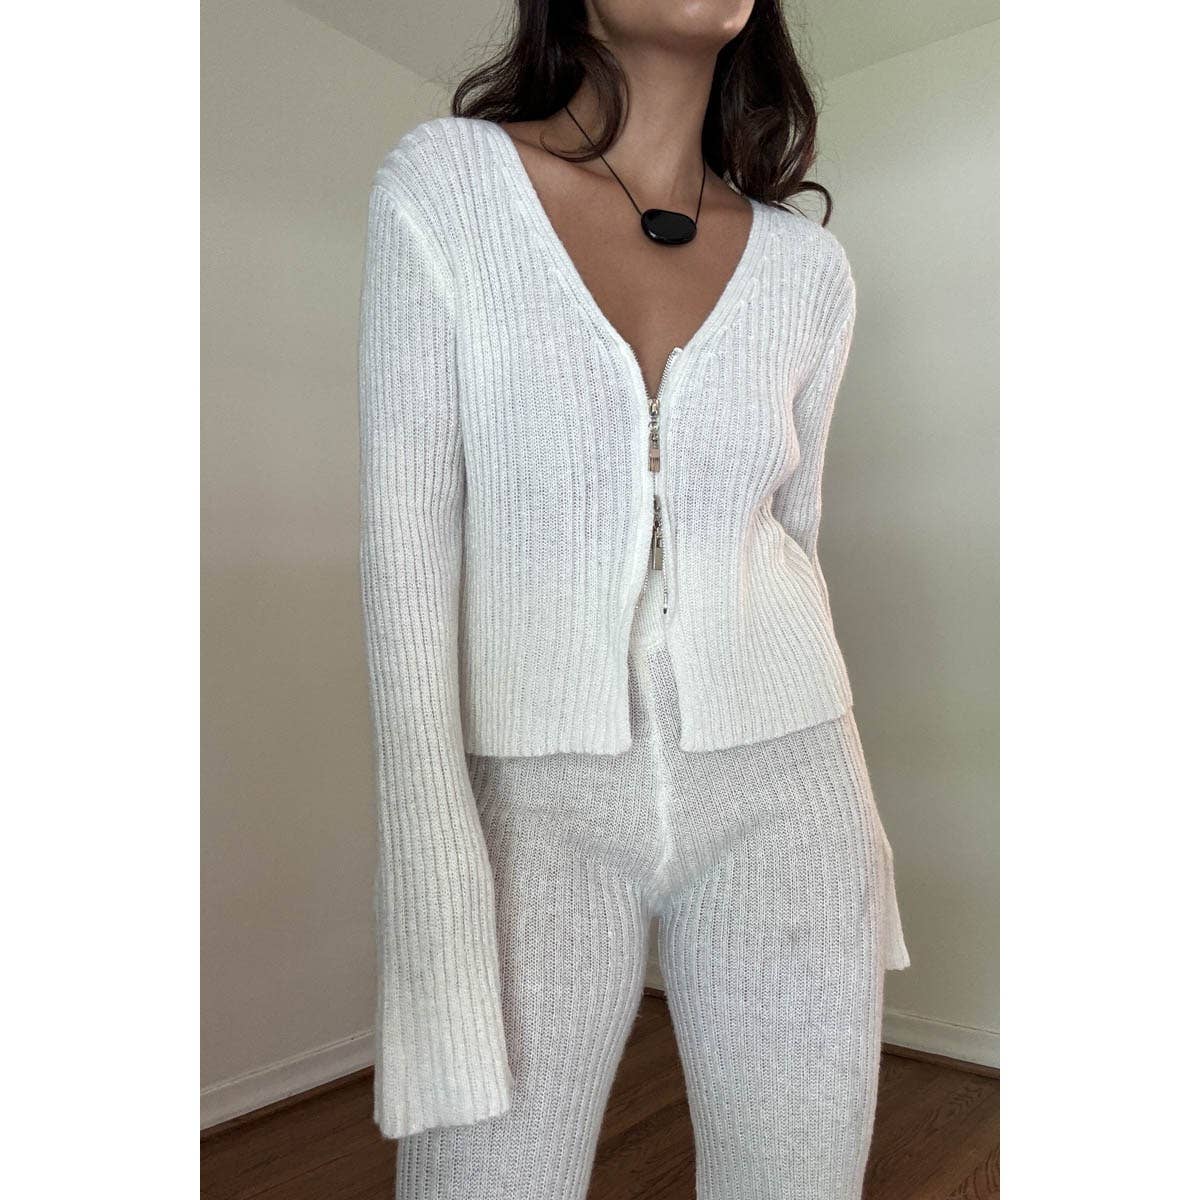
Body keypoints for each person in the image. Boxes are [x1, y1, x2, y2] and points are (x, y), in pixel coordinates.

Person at [357, 2, 910, 1196]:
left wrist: (860, 826)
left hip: (789, 787)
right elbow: (404, 564)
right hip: (534, 807)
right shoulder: (448, 188)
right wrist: (436, 916)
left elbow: (794, 539)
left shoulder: (809, 271)